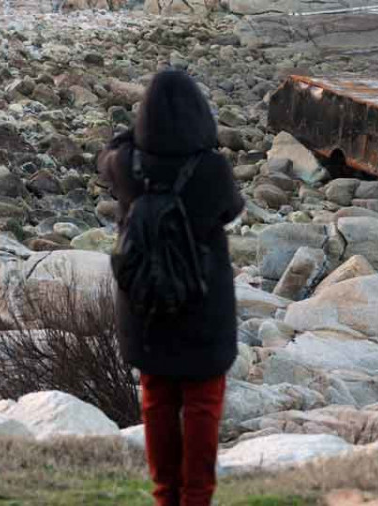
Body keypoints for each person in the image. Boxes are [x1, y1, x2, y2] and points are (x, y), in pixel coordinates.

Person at [98, 69, 244, 506]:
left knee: (157, 399)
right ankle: (197, 497)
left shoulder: (128, 165)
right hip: (201, 302)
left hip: (145, 303)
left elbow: (106, 154)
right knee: (202, 402)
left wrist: (136, 134)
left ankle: (165, 496)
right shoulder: (212, 169)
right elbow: (232, 210)